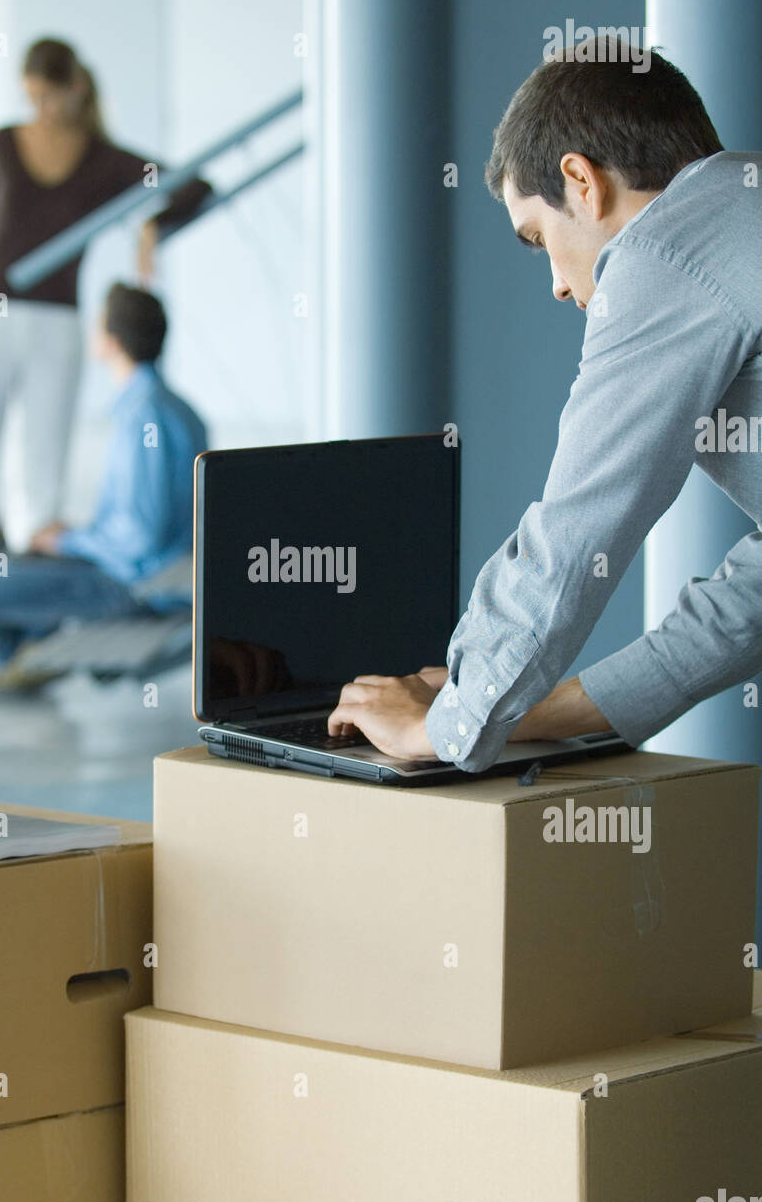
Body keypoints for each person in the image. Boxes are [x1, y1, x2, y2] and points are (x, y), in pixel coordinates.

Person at [326, 40, 762, 770]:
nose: (559, 285)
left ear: (580, 182)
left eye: (537, 238)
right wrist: (526, 712)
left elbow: (574, 531)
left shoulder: (663, 255)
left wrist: (443, 725)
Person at [0, 37, 209, 654]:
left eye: (47, 96)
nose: (39, 109)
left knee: (42, 476)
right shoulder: (4, 142)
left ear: (74, 89)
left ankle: (35, 624)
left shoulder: (104, 158)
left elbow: (194, 185)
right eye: (30, 97)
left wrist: (151, 226)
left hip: (55, 321)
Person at [0, 284, 207, 683]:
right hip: (148, 576)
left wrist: (67, 541)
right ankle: (33, 650)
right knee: (24, 562)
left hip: (131, 587)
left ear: (111, 341)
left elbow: (140, 539)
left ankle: (16, 664)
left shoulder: (142, 416)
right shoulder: (181, 410)